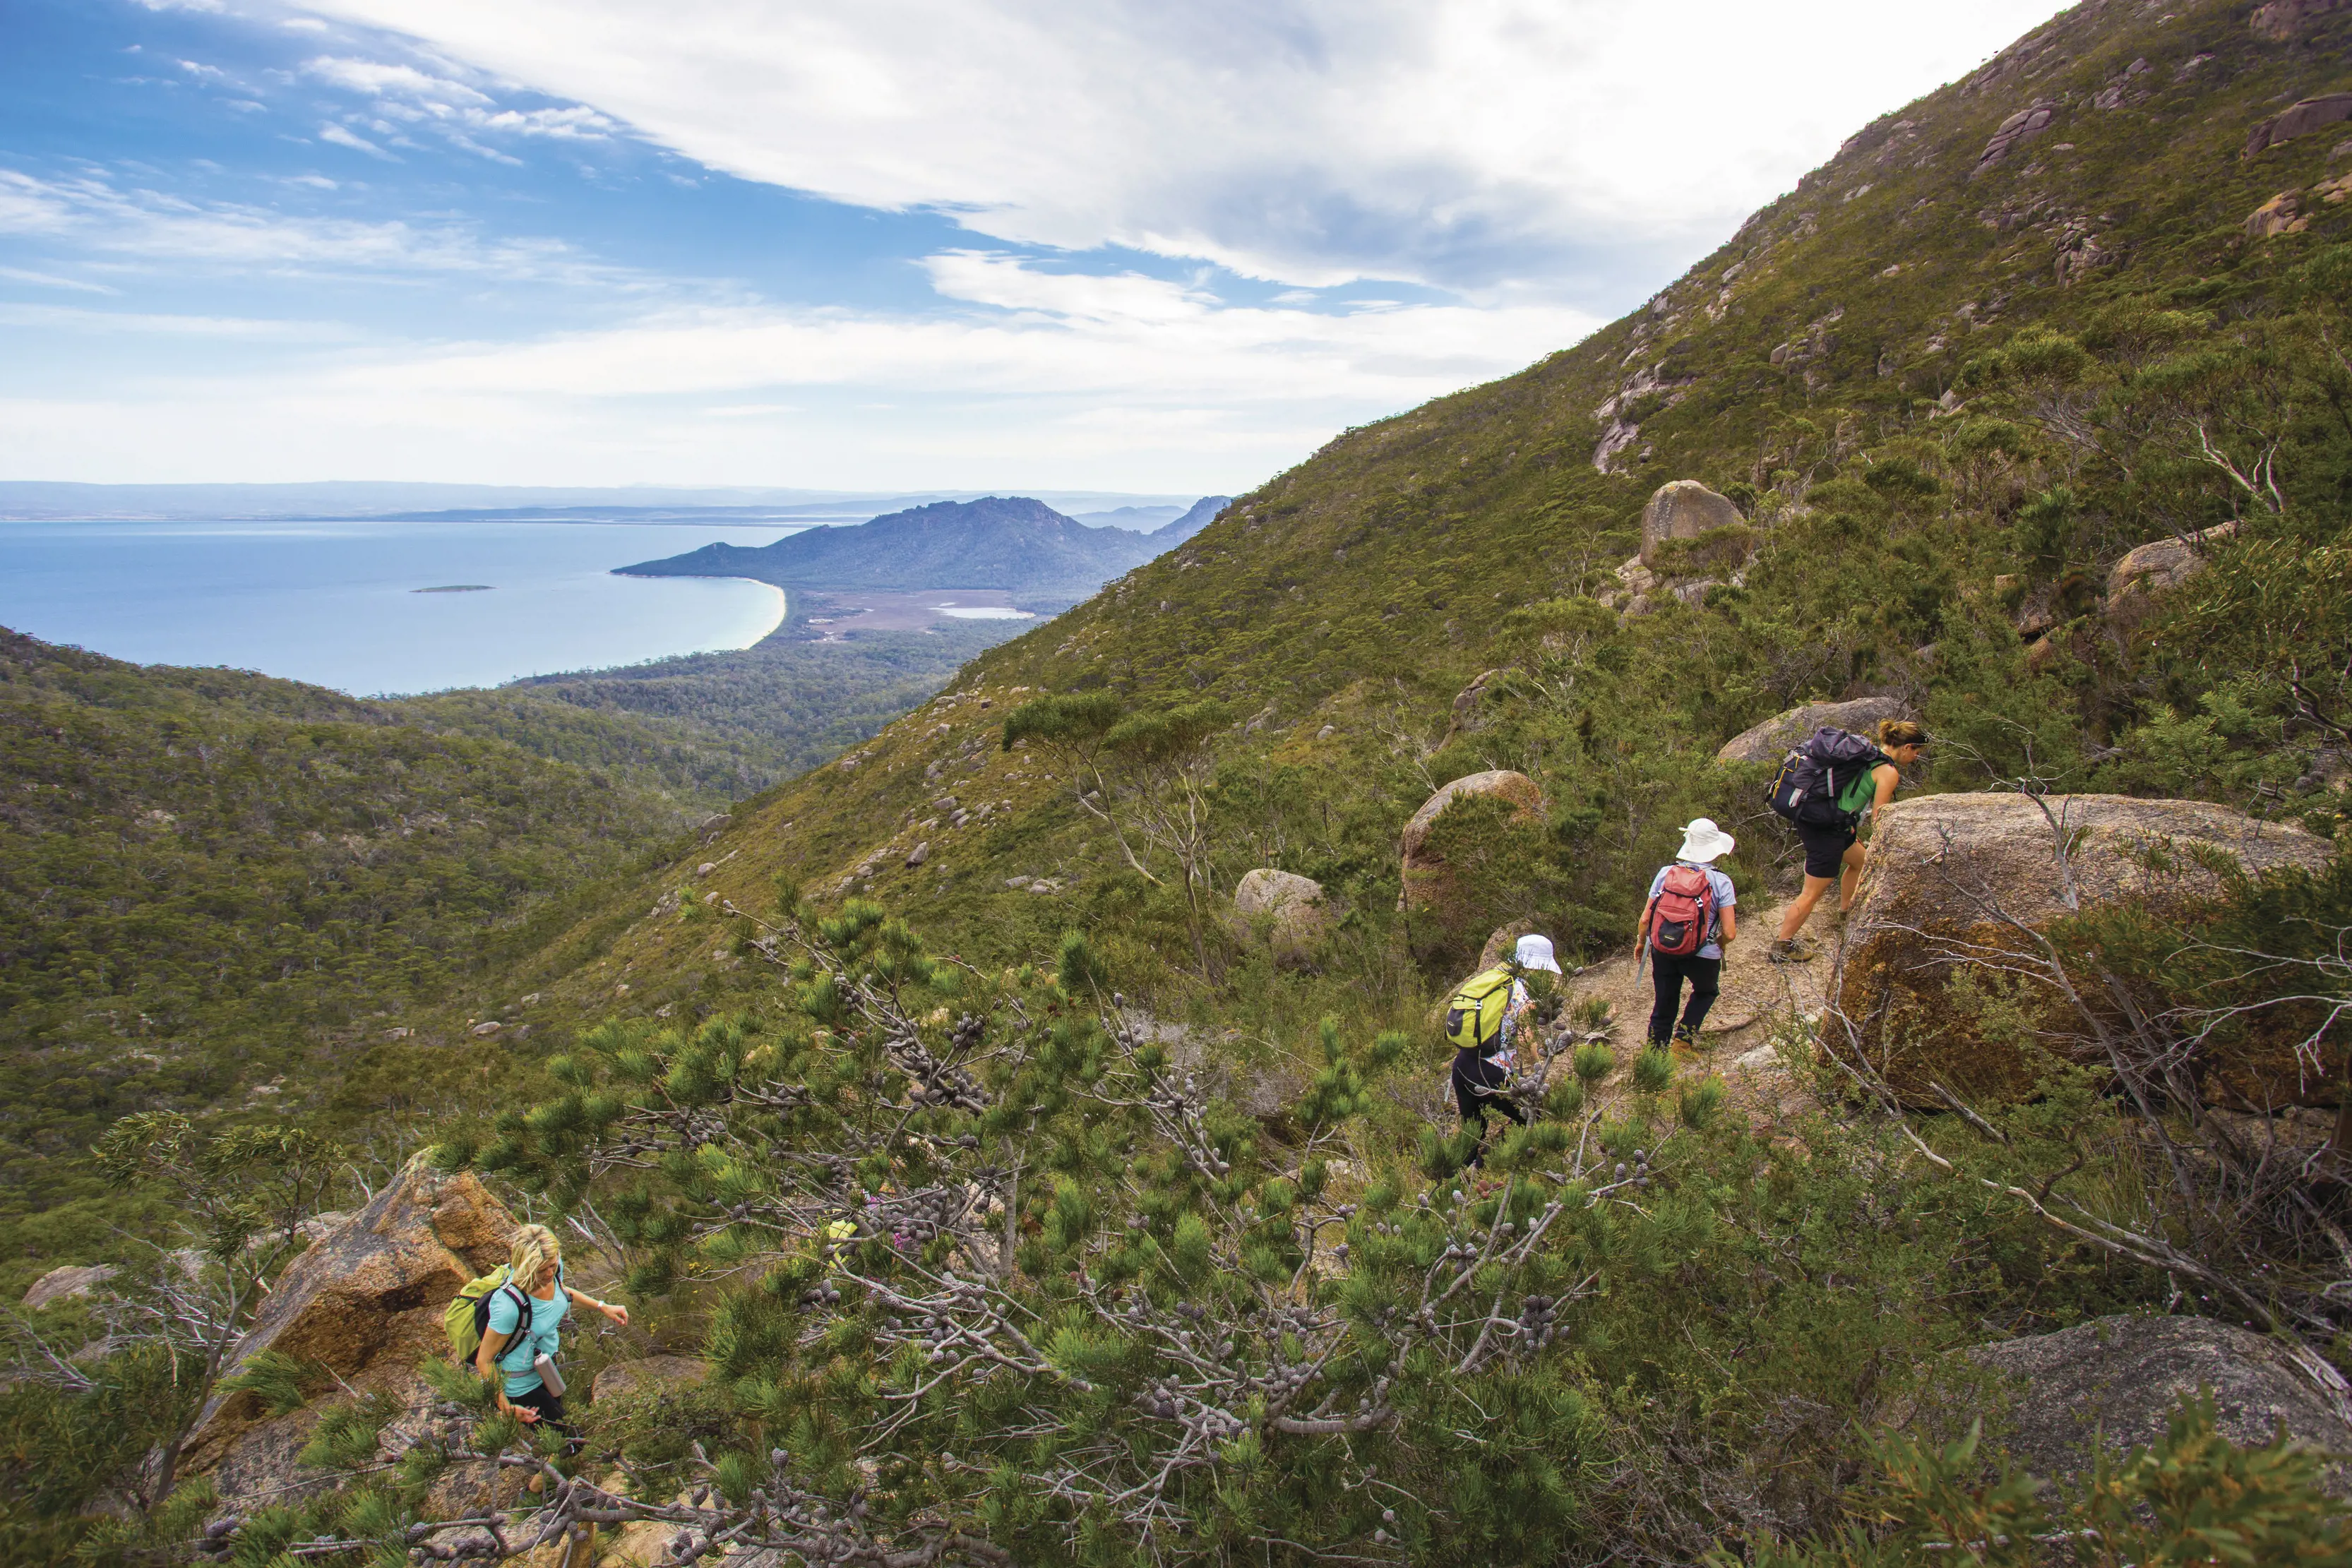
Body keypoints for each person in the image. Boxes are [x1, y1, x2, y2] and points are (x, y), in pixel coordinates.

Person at [475, 1223, 630, 1485]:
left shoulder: (554, 1273)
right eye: (542, 1269)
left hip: (545, 1371)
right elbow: (484, 1360)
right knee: (572, 1442)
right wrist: (505, 1406)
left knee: (560, 1427)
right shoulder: (509, 1306)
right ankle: (532, 1495)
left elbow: (564, 1295)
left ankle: (548, 1467)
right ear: (525, 1266)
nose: (550, 1273)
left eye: (553, 1265)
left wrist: (603, 1306)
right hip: (520, 1386)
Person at [1771, 719, 1929, 962]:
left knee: (1861, 862)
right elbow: (1880, 818)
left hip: (1832, 821)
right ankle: (1782, 946)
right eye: (1917, 751)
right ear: (1906, 747)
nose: (1916, 757)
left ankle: (1846, 913)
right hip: (1827, 829)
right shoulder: (1887, 771)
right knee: (1812, 893)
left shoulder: (1866, 754)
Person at [1451, 933, 1562, 1166]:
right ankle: (1502, 1165)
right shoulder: (1524, 992)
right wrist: (1539, 1065)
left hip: (1463, 1065)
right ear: (1539, 966)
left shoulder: (1498, 979)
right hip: (1491, 1072)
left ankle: (1455, 1181)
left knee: (1473, 1131)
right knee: (1532, 1115)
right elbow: (1526, 1038)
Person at [1637, 818, 1738, 1050]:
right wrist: (1719, 943)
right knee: (1706, 991)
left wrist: (1641, 942)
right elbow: (1730, 932)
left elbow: (1645, 919)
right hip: (1703, 954)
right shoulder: (1721, 881)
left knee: (1664, 1005)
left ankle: (1654, 1059)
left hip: (1663, 949)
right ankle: (1683, 1041)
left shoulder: (1666, 873)